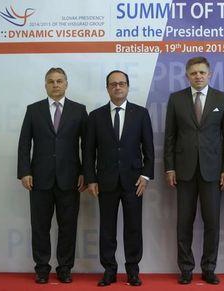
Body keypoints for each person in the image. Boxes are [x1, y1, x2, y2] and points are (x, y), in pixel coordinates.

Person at [164, 56, 224, 285]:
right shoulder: (176, 99)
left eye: (202, 72)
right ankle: (185, 269)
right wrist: (169, 168)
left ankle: (209, 268)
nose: (198, 76)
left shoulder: (222, 99)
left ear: (209, 74)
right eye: (193, 73)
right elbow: (170, 138)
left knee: (212, 222)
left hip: (213, 172)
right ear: (187, 75)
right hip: (184, 171)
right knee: (184, 222)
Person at [84, 70, 154, 287]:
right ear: (107, 88)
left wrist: (145, 175)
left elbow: (149, 150)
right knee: (107, 228)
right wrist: (91, 179)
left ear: (127, 87)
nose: (117, 87)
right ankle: (109, 270)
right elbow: (88, 152)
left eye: (121, 83)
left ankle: (133, 270)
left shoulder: (140, 114)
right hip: (105, 181)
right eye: (113, 84)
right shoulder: (95, 116)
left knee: (134, 227)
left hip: (134, 182)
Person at [17, 67, 87, 284]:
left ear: (66, 84)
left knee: (68, 226)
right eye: (51, 81)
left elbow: (87, 145)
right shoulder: (33, 110)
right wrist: (24, 172)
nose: (55, 85)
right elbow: (24, 144)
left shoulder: (79, 110)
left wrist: (85, 172)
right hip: (39, 179)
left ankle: (65, 268)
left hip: (70, 178)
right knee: (40, 226)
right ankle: (42, 268)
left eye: (59, 81)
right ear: (45, 85)